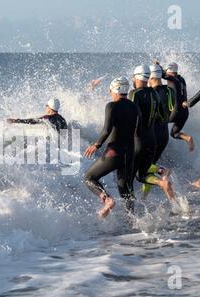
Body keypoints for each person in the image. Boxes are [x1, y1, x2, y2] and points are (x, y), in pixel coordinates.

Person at [83, 77, 140, 218]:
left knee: (89, 178)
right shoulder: (134, 107)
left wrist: (96, 145)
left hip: (114, 152)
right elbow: (139, 130)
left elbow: (106, 130)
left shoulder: (111, 106)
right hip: (129, 152)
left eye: (110, 90)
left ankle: (107, 199)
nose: (109, 93)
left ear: (115, 90)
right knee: (126, 188)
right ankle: (132, 220)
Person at [130, 65, 176, 201]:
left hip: (140, 139)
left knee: (134, 174)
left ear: (137, 77)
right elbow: (164, 117)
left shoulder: (134, 93)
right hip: (155, 138)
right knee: (144, 170)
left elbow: (132, 116)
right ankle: (159, 178)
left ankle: (130, 209)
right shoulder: (158, 92)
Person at [158, 61, 194, 152]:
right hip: (185, 113)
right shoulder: (181, 79)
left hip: (176, 112)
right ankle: (188, 138)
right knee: (174, 133)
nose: (166, 72)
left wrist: (157, 65)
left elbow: (160, 74)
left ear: (169, 71)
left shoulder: (172, 78)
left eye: (167, 70)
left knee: (159, 122)